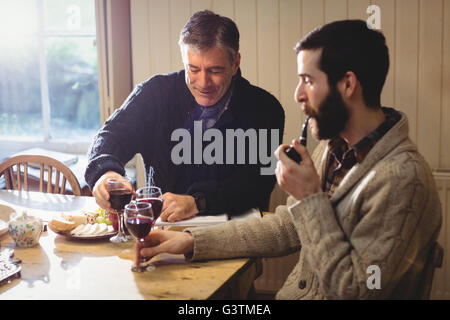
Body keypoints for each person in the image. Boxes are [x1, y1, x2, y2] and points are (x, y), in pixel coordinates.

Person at [136, 20, 442, 299]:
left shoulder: (403, 179)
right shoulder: (335, 148)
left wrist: (310, 197)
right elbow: (287, 227)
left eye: (308, 80)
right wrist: (191, 241)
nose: (298, 94)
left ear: (348, 85)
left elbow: (356, 290)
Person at [85, 10, 284, 222]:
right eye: (194, 69)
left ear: (235, 63)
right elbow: (110, 136)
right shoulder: (155, 93)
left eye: (215, 71)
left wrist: (198, 202)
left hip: (236, 238)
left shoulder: (266, 109)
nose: (203, 82)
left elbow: (259, 185)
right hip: (163, 236)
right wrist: (105, 173)